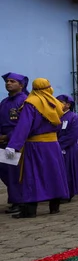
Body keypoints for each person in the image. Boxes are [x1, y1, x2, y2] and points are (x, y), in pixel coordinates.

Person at [5, 78, 69, 218]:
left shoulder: (31, 103)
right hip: (53, 144)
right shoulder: (56, 103)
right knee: (54, 174)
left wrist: (13, 145)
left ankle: (30, 210)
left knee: (32, 175)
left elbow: (24, 126)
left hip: (35, 145)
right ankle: (54, 206)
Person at [0, 72, 28, 214]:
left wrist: (8, 137)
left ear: (21, 85)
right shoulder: (4, 102)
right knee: (4, 171)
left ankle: (19, 201)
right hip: (3, 142)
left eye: (12, 81)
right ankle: (15, 199)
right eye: (7, 81)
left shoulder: (24, 101)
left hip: (16, 141)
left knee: (15, 172)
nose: (8, 83)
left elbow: (23, 124)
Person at [56, 95, 78, 201]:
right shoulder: (55, 116)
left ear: (68, 105)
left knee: (68, 171)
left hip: (69, 148)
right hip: (55, 147)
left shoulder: (73, 117)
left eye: (61, 102)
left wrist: (59, 144)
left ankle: (68, 193)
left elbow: (74, 134)